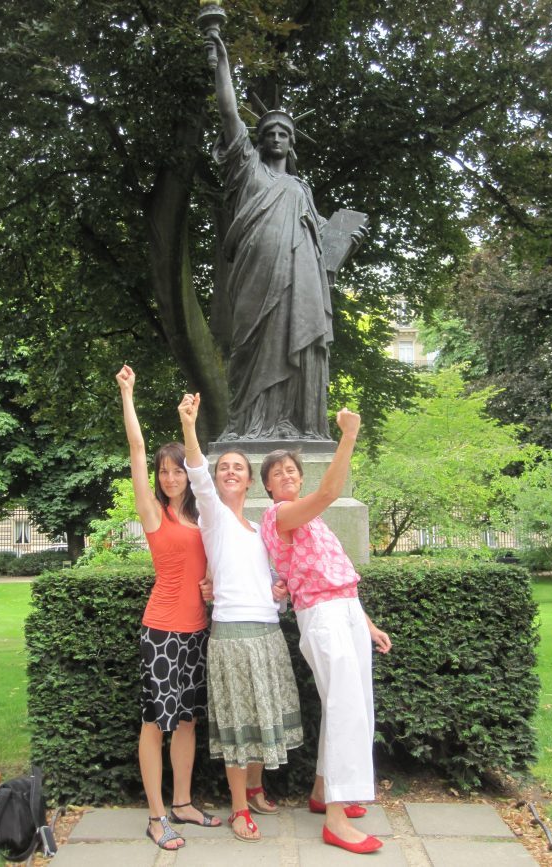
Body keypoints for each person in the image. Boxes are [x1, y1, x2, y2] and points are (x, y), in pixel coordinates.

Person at [260, 409, 392, 855]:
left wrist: (367, 623)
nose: (287, 474)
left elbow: (335, 574)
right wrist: (349, 435)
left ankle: (322, 793)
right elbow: (332, 490)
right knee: (347, 709)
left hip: (345, 612)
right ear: (269, 488)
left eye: (292, 469)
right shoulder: (280, 516)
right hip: (323, 617)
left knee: (352, 705)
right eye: (278, 472)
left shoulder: (309, 522)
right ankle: (336, 818)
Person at [177, 390, 303, 842]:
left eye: (239, 468)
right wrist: (190, 426)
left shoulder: (258, 529)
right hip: (231, 634)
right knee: (238, 724)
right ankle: (236, 809)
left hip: (269, 631)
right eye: (224, 467)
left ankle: (253, 787)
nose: (230, 472)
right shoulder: (213, 516)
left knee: (262, 716)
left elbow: (273, 581)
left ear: (250, 482)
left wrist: (279, 592)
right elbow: (196, 476)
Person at [207, 31, 333, 441]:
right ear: (259, 141)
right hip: (255, 278)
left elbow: (324, 250)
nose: (276, 136)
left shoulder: (302, 190)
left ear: (292, 141)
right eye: (269, 131)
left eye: (283, 132)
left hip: (301, 285)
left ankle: (289, 423)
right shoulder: (248, 171)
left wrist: (347, 241)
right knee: (250, 347)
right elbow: (229, 115)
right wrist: (222, 64)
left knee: (291, 345)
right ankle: (247, 423)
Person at [115, 364, 221, 850]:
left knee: (186, 720)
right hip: (160, 630)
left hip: (197, 630)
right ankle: (156, 816)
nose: (171, 476)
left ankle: (182, 802)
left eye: (177, 469)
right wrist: (129, 394)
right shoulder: (153, 512)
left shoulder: (201, 515)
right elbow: (136, 449)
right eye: (165, 471)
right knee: (155, 722)